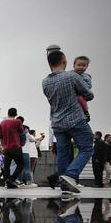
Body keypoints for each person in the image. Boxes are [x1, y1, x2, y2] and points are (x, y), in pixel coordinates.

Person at [43, 49, 94, 194]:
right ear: (64, 61)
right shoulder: (71, 76)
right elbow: (89, 95)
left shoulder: (45, 82)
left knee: (63, 154)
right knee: (87, 148)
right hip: (75, 119)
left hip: (57, 123)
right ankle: (70, 175)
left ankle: (65, 186)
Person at [0, 107, 26, 189]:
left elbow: (1, 136)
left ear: (8, 113)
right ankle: (11, 179)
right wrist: (22, 143)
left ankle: (7, 181)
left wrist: (3, 145)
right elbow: (22, 132)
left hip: (6, 148)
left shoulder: (2, 123)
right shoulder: (17, 122)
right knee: (21, 164)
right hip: (15, 146)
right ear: (16, 114)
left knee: (6, 166)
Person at [71, 55, 92, 122]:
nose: (81, 67)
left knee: (80, 98)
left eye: (83, 65)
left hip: (80, 94)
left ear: (87, 66)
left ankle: (86, 112)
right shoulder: (70, 74)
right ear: (74, 65)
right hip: (71, 93)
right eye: (78, 65)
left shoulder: (86, 77)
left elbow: (88, 87)